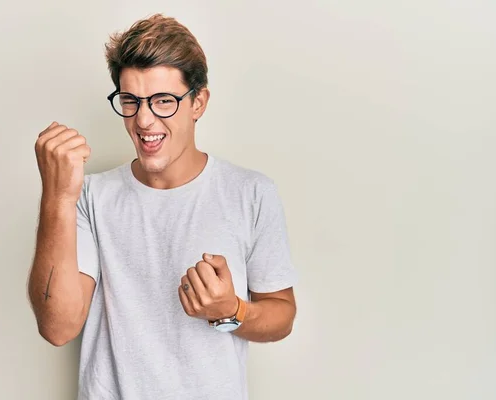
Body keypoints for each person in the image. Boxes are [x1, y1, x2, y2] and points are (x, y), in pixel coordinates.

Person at [27, 13, 298, 400]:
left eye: (163, 101)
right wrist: (57, 197)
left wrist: (231, 310)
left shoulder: (251, 193)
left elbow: (282, 314)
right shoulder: (90, 196)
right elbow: (58, 327)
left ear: (198, 102)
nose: (144, 120)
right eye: (131, 101)